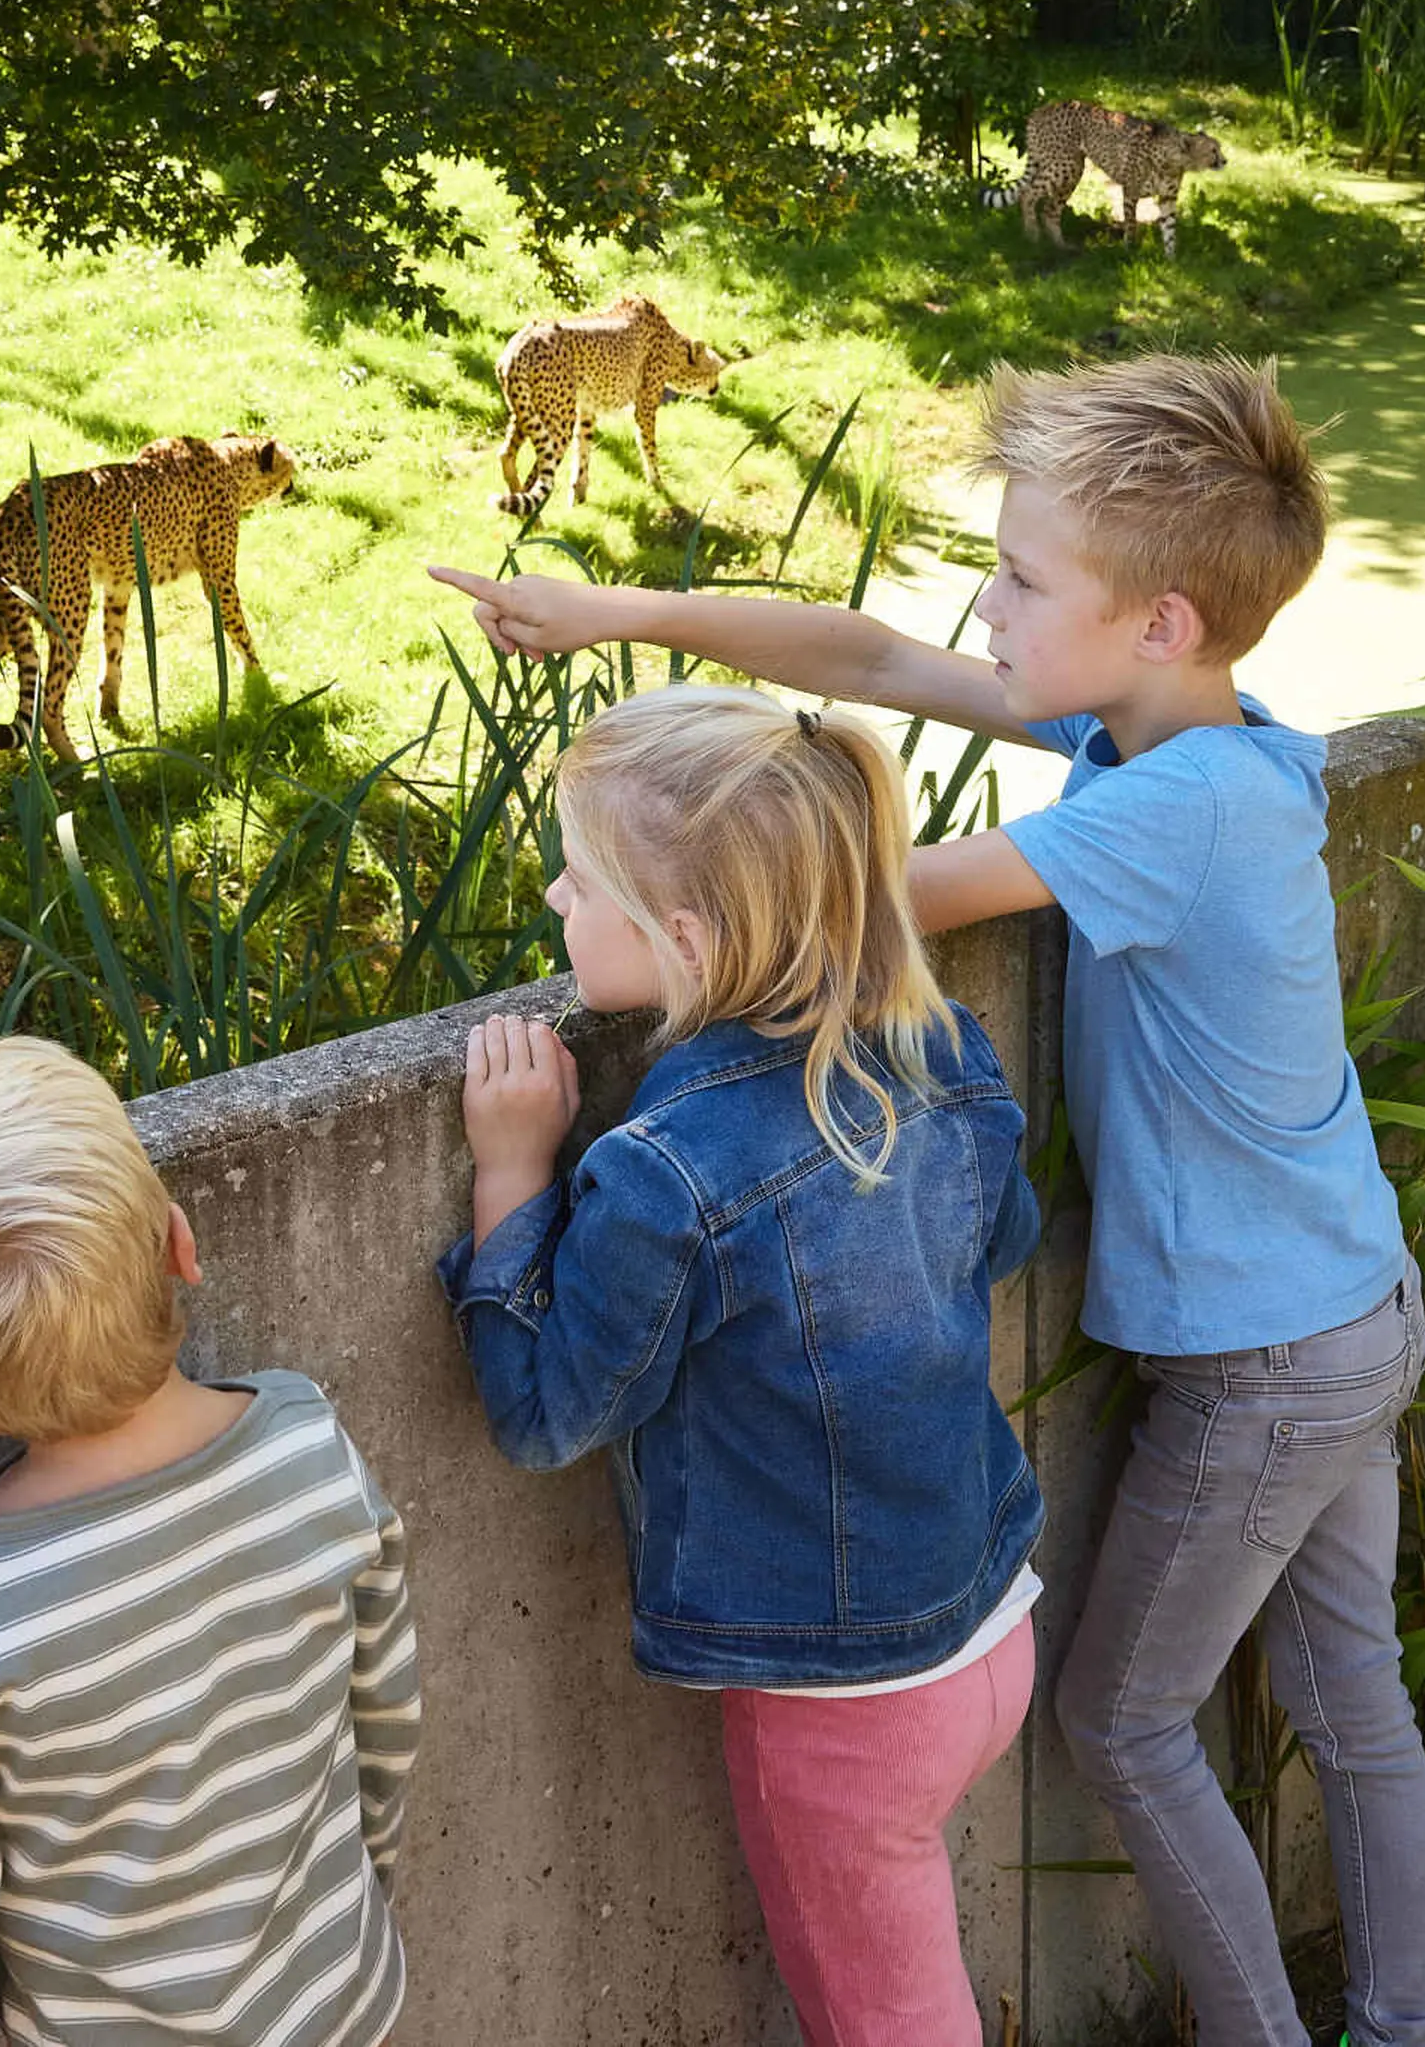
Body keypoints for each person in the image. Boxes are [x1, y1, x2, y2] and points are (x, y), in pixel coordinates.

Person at [432, 353, 1425, 2047]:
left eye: (1026, 576)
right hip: (1353, 1304)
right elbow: (869, 659)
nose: (983, 599)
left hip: (1267, 1359)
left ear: (1161, 620)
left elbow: (831, 903)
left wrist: (671, 899)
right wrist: (625, 613)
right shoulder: (1181, 738)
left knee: (1127, 1724)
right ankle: (1407, 2029)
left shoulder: (1173, 806)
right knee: (1356, 1703)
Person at [444, 682, 1042, 2047]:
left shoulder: (667, 1176)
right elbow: (1000, 1235)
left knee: (886, 2024)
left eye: (582, 882)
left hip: (839, 1709)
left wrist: (513, 1174)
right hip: (991, 1615)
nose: (551, 897)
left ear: (688, 938)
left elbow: (546, 1416)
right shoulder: (942, 1049)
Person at [0, 1034, 420, 2047]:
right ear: (180, 1244)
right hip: (336, 2006)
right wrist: (362, 1895)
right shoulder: (305, 1442)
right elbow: (386, 1721)